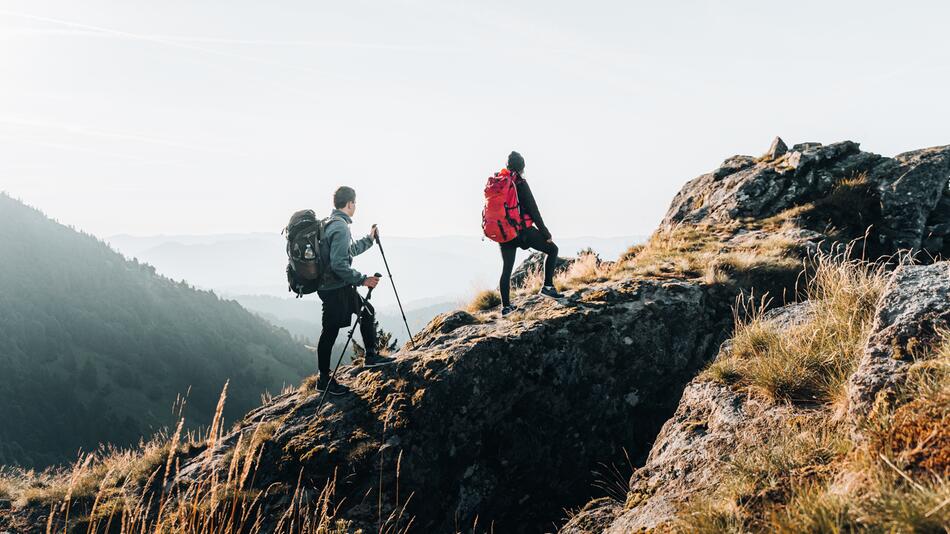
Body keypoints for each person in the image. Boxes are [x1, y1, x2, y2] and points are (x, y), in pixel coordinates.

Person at [316, 186, 394, 395]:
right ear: (350, 203)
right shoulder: (340, 227)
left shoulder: (330, 223)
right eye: (355, 203)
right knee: (330, 332)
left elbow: (346, 252)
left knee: (366, 311)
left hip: (333, 286)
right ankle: (324, 379)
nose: (356, 206)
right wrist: (363, 280)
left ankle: (370, 356)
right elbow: (339, 264)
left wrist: (369, 239)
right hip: (335, 288)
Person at [498, 151, 562, 316]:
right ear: (522, 167)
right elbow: (534, 211)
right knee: (553, 250)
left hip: (505, 233)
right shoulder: (520, 183)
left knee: (507, 269)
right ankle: (548, 287)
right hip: (523, 230)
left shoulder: (500, 183)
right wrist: (545, 233)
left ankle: (506, 307)